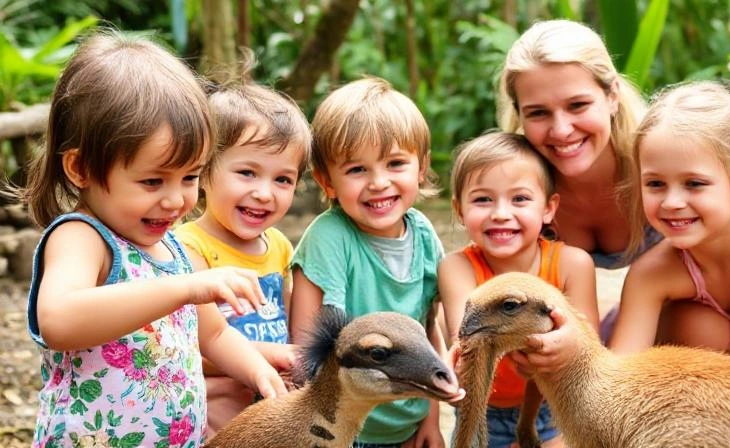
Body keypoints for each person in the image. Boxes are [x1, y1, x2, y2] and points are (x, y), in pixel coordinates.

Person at [23, 31, 286, 447]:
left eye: (190, 177)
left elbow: (214, 336)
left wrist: (258, 371)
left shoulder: (173, 250)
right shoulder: (82, 238)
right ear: (80, 168)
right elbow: (58, 320)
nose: (176, 200)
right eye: (152, 181)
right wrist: (184, 288)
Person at [608, 81, 730, 389]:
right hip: (681, 397)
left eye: (694, 183)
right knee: (699, 324)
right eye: (655, 184)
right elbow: (617, 381)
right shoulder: (652, 271)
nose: (672, 202)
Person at [289, 77, 449, 447]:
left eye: (395, 163)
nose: (379, 182)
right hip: (343, 427)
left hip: (408, 423)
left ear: (421, 167)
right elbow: (306, 347)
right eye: (357, 169)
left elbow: (428, 332)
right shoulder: (329, 237)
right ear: (327, 181)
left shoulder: (424, 235)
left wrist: (431, 416)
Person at [495, 19, 661, 344]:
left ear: (612, 95)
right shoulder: (517, 188)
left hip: (671, 318)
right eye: (538, 113)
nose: (561, 130)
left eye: (578, 105)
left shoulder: (659, 162)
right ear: (520, 114)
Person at [439, 131, 599, 448]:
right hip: (481, 410)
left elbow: (588, 344)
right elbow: (469, 339)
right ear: (459, 210)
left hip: (555, 407)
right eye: (482, 199)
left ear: (549, 208)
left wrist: (561, 349)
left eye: (520, 199)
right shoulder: (457, 267)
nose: (500, 213)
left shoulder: (573, 264)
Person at [174, 73, 311, 438]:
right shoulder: (187, 247)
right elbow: (192, 348)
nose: (265, 193)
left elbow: (287, 327)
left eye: (283, 179)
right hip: (214, 419)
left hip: (271, 410)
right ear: (204, 172)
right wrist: (270, 357)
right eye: (248, 173)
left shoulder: (279, 245)